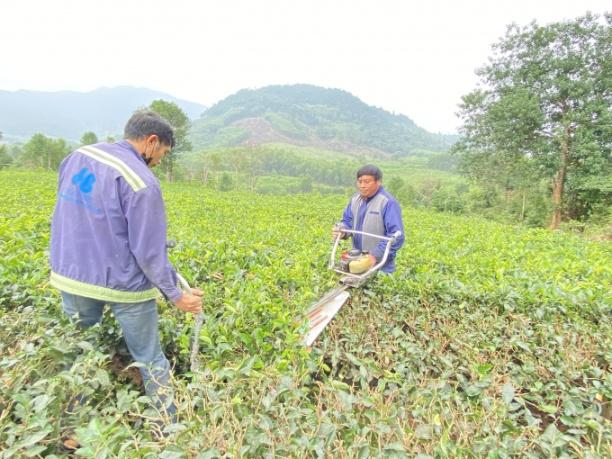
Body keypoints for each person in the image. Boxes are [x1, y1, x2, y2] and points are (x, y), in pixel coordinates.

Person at [49, 110, 203, 418]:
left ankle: (69, 425)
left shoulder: (77, 156)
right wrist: (176, 294)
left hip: (72, 275)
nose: (159, 161)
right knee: (149, 356)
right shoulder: (141, 182)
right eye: (163, 153)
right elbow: (148, 252)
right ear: (151, 142)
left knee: (76, 350)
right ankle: (166, 426)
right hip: (124, 284)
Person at [333, 165, 405, 273]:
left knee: (380, 288)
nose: (362, 186)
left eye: (367, 182)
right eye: (359, 181)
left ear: (378, 182)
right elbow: (348, 222)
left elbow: (397, 236)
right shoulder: (355, 200)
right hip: (358, 261)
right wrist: (342, 231)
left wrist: (375, 255)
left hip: (382, 266)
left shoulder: (387, 202)